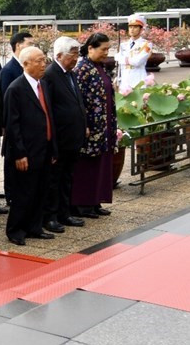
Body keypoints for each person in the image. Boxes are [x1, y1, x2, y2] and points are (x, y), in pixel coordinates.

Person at [3, 47, 58, 246]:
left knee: (40, 190)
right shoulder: (16, 89)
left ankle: (35, 227)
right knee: (23, 192)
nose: (43, 64)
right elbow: (12, 125)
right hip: (26, 151)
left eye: (44, 60)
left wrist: (53, 148)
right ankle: (15, 230)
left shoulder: (43, 84)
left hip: (44, 147)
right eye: (38, 61)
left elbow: (49, 116)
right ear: (26, 64)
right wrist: (19, 154)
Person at [42, 37, 87, 231]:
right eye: (73, 54)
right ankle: (51, 216)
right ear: (59, 55)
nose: (76, 58)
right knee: (54, 180)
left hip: (73, 137)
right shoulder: (50, 75)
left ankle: (65, 212)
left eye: (78, 53)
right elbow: (49, 109)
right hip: (59, 137)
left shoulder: (71, 73)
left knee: (67, 177)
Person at [71, 33, 117, 219]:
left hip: (104, 124)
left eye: (108, 49)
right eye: (103, 49)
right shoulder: (82, 69)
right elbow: (78, 100)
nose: (106, 53)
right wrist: (85, 124)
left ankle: (96, 200)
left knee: (101, 163)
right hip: (91, 125)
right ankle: (84, 204)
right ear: (90, 48)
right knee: (87, 165)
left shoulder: (101, 67)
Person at [118, 14, 152, 90]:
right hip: (124, 81)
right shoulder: (123, 45)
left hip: (138, 81)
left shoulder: (146, 44)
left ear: (141, 29)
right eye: (130, 27)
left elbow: (137, 62)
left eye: (135, 27)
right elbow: (119, 63)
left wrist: (123, 59)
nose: (132, 29)